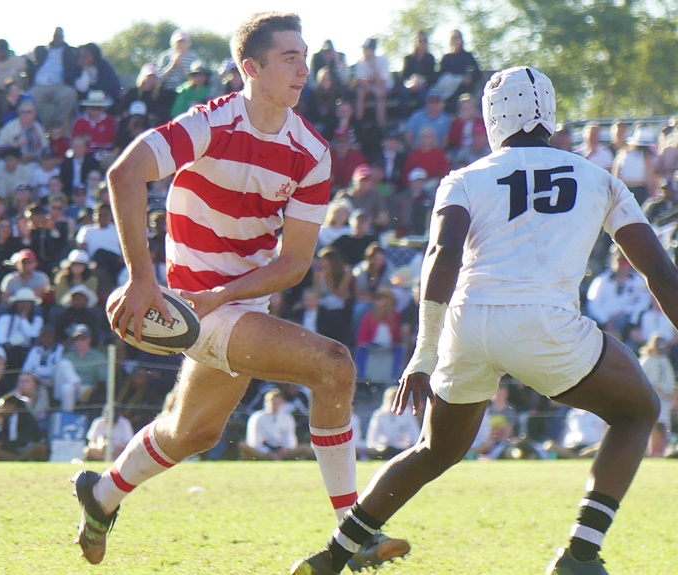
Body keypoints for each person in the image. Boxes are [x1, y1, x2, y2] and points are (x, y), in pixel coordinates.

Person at [293, 66, 672, 575]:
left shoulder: (465, 177)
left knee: (435, 450)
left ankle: (334, 555)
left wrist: (424, 351)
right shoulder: (599, 177)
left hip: (468, 323)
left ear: (495, 117)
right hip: (546, 323)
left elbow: (441, 257)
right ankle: (580, 554)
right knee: (637, 411)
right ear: (550, 116)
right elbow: (657, 269)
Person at [72, 13, 407, 570]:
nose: (305, 68)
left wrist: (220, 297)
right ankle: (355, 533)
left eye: (306, 56)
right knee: (334, 365)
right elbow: (124, 175)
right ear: (250, 68)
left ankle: (100, 494)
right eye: (290, 58)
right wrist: (142, 279)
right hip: (190, 307)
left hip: (229, 307)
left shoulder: (313, 152)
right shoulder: (209, 123)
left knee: (193, 432)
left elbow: (296, 263)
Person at [238, 389, 314, 460]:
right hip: (263, 451)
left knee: (306, 448)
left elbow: (290, 438)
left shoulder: (287, 417)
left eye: (277, 403)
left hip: (282, 451)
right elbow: (254, 442)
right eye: (272, 403)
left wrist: (286, 449)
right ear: (266, 403)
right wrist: (269, 453)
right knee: (243, 446)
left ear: (283, 403)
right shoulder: (257, 417)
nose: (275, 406)